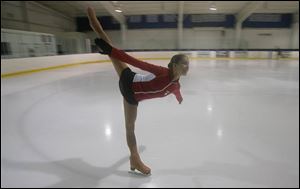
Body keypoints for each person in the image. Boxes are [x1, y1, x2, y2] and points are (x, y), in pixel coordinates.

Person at [87, 7, 189, 175]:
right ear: (174, 65)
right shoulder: (162, 72)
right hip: (129, 81)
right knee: (109, 44)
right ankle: (94, 23)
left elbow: (177, 91)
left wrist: (179, 98)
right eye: (184, 63)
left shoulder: (176, 85)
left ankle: (134, 158)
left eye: (188, 64)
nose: (187, 66)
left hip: (132, 98)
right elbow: (137, 63)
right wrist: (110, 51)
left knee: (130, 127)